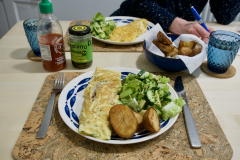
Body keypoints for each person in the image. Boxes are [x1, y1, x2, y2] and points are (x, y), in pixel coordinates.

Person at [110, 0, 240, 42]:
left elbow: (225, 16)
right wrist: (178, 24)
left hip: (173, 39)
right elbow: (139, 3)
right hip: (126, 26)